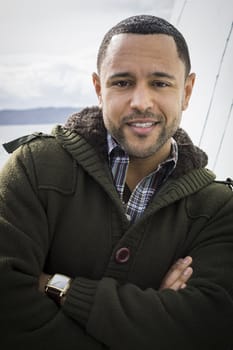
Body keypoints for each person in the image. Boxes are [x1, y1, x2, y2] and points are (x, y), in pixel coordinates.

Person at [0, 14, 233, 350]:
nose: (140, 102)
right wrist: (153, 321)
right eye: (122, 82)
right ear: (99, 88)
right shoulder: (35, 168)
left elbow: (209, 324)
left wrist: (60, 288)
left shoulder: (218, 209)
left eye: (160, 83)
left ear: (188, 90)